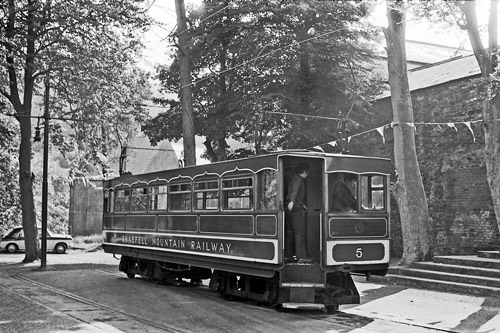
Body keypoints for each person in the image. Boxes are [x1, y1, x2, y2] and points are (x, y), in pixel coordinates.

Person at [286, 162, 312, 263]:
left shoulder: (294, 178)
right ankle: (301, 256)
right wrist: (292, 201)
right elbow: (294, 191)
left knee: (291, 233)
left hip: (296, 206)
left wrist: (302, 205)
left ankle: (290, 255)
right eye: (307, 172)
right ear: (304, 172)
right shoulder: (298, 179)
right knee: (300, 233)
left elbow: (296, 195)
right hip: (295, 209)